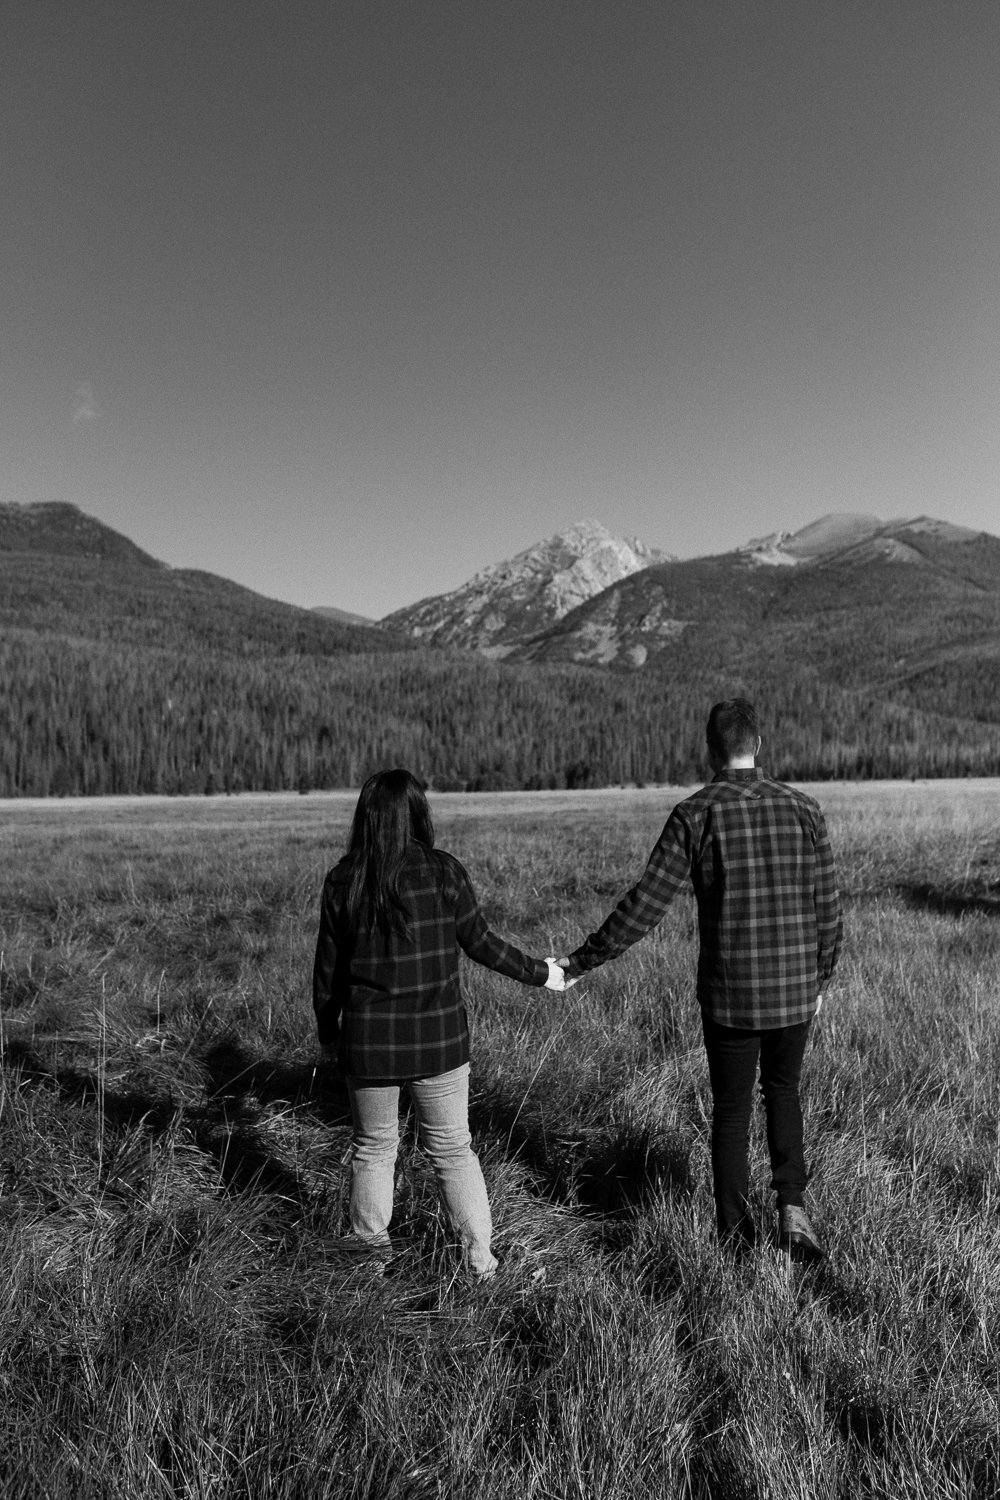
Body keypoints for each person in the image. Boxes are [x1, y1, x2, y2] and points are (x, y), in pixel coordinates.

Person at [557, 700, 842, 1260]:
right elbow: (828, 909)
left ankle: (735, 1237)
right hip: (794, 992)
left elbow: (645, 905)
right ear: (758, 743)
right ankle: (792, 1206)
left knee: (732, 1111)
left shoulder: (695, 814)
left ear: (710, 749)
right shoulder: (804, 809)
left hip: (731, 995)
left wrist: (581, 960)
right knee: (784, 1091)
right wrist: (820, 980)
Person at [313, 768, 565, 1280]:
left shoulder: (344, 878)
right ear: (419, 814)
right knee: (452, 1150)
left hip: (369, 1046)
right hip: (440, 1042)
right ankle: (479, 1264)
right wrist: (544, 974)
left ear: (366, 818)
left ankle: (369, 1265)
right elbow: (483, 943)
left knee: (373, 1150)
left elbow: (327, 971)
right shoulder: (444, 872)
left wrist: (328, 1031)